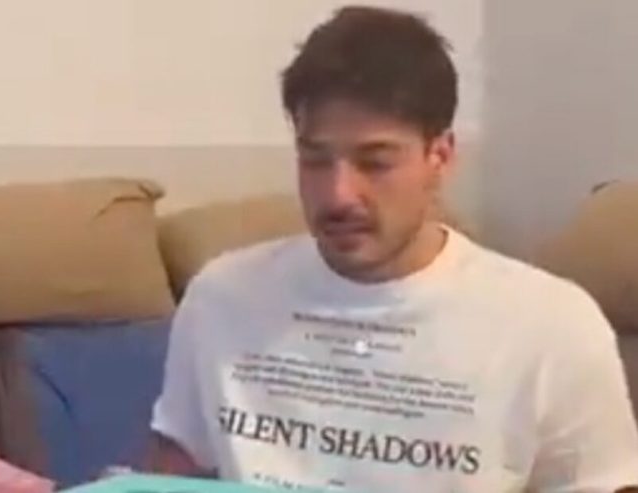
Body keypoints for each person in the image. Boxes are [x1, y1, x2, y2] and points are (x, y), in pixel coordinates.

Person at [146, 6, 638, 492]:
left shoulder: (551, 325)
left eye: (375, 162)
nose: (338, 195)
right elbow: (168, 476)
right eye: (315, 160)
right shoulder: (222, 298)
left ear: (439, 156)